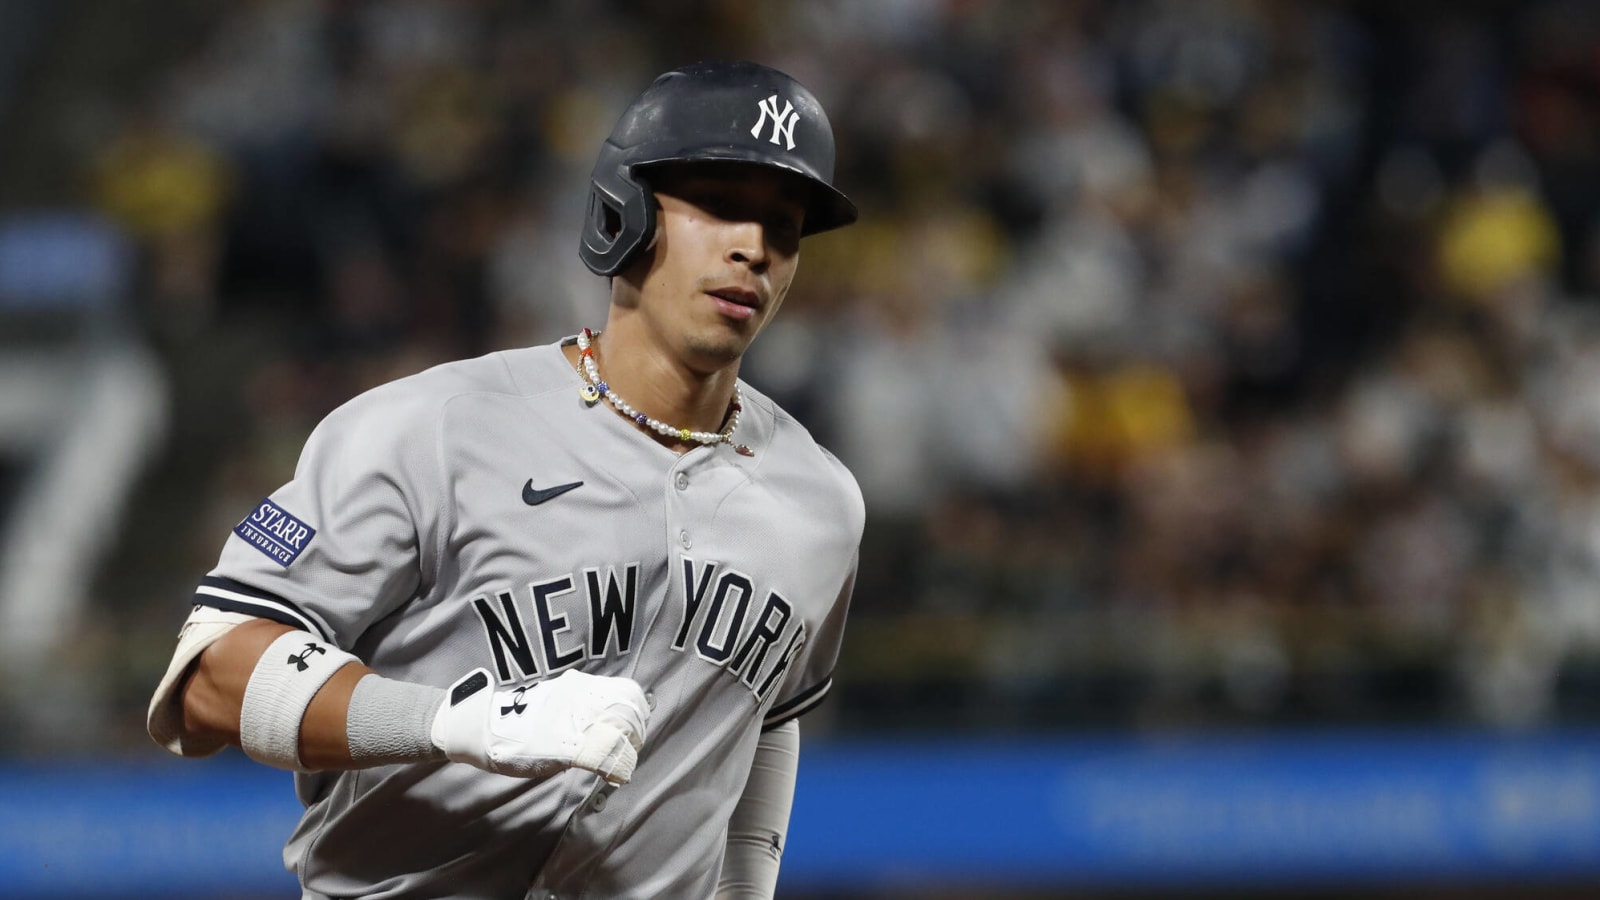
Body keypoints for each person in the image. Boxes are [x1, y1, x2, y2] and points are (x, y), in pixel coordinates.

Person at [146, 60, 863, 900]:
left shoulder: (821, 503)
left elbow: (764, 723)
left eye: (783, 227)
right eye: (717, 207)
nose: (754, 248)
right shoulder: (431, 427)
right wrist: (453, 724)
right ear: (620, 214)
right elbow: (210, 678)